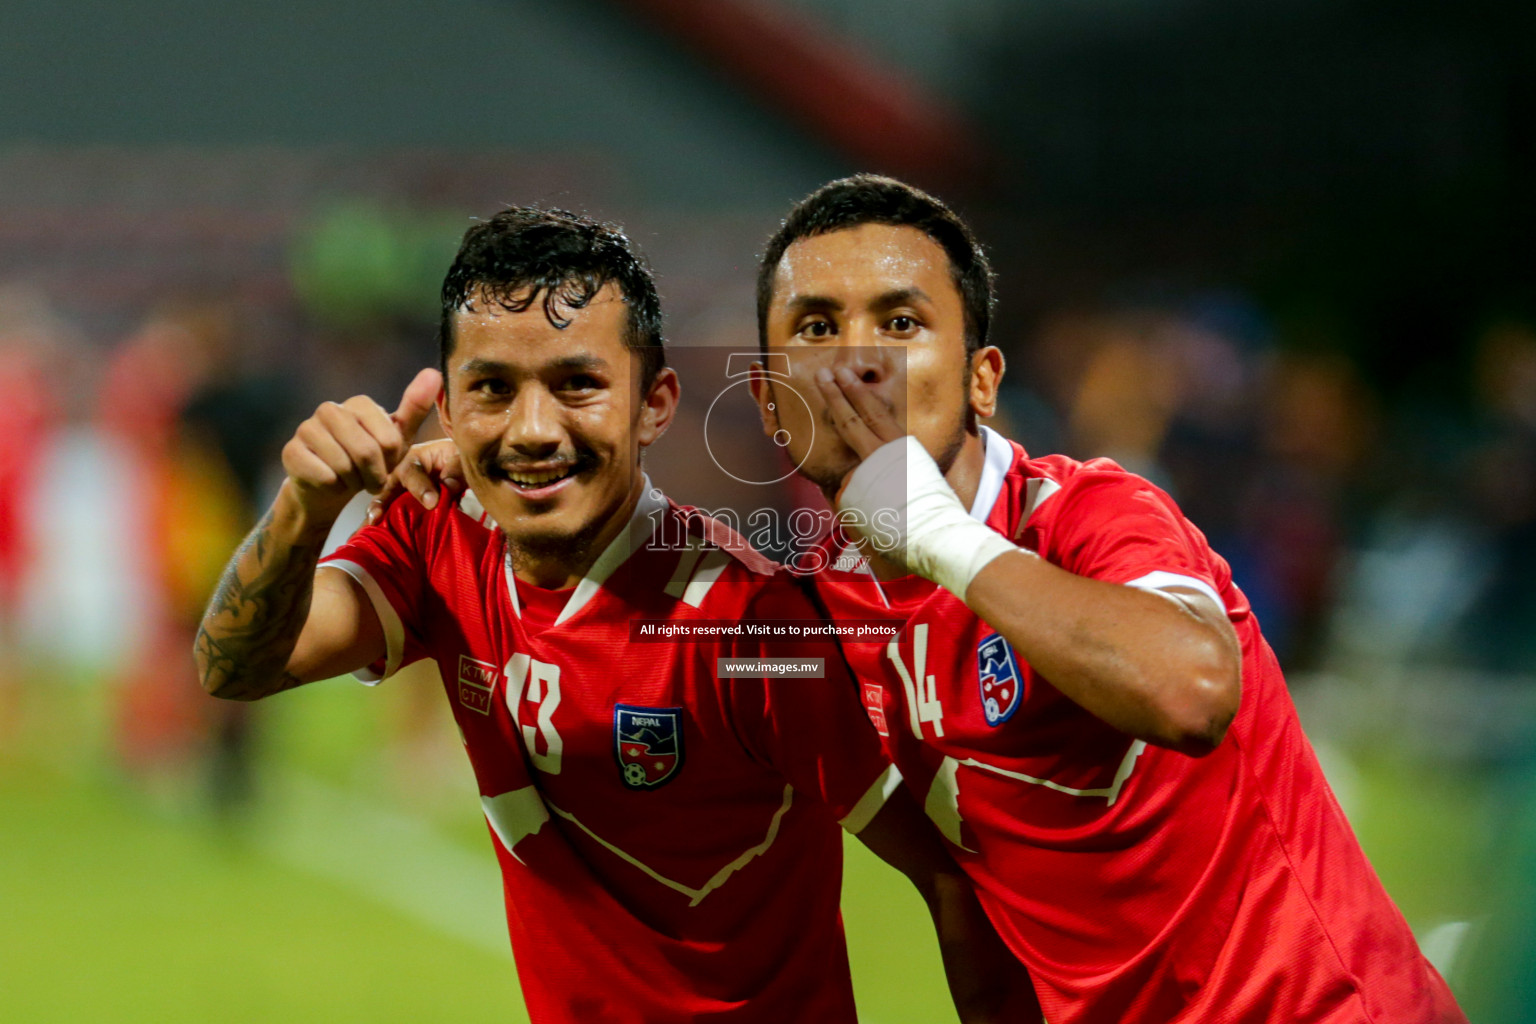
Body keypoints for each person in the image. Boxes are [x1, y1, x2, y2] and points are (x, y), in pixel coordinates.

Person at [194, 206, 1032, 1023]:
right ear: (448, 409)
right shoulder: (436, 534)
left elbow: (949, 870)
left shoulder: (750, 632)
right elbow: (234, 667)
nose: (532, 429)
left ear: (655, 405)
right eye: (492, 388)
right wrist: (305, 506)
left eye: (578, 385)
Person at [747, 174, 1467, 1022]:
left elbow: (1192, 689)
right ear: (768, 402)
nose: (858, 363)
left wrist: (941, 536)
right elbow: (963, 903)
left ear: (983, 382)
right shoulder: (827, 618)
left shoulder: (1090, 516)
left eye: (901, 324)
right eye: (817, 328)